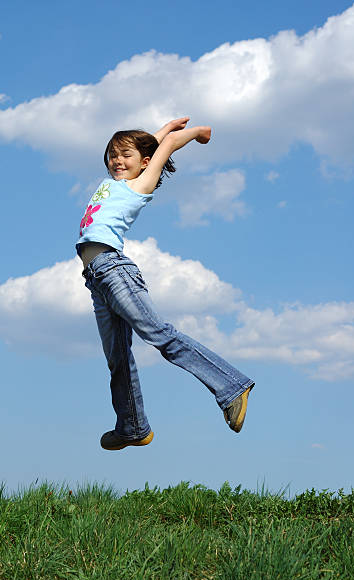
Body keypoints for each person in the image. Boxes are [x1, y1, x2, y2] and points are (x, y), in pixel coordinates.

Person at [76, 117, 254, 451]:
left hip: (114, 270)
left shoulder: (138, 186)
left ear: (144, 164)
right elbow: (151, 145)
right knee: (116, 357)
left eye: (124, 155)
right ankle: (133, 427)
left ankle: (231, 386)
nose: (117, 160)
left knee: (157, 333)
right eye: (112, 154)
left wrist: (196, 133)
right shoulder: (114, 180)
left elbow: (164, 147)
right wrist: (165, 127)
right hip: (96, 280)